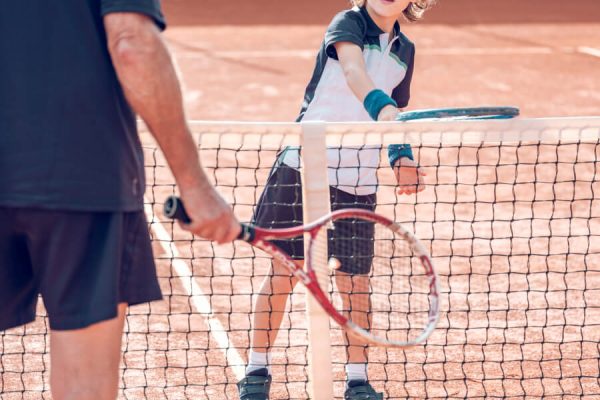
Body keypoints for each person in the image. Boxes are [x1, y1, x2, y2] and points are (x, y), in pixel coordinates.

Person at [0, 2, 239, 399]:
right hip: (81, 177)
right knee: (84, 383)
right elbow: (132, 43)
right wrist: (193, 183)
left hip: (73, 177)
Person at [237, 0, 436, 399]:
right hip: (304, 167)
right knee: (285, 274)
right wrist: (381, 109)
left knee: (355, 285)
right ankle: (256, 371)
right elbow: (353, 72)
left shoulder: (405, 52)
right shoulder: (348, 22)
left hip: (358, 182)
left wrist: (401, 156)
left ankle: (357, 380)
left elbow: (394, 112)